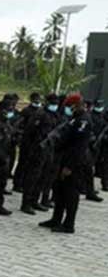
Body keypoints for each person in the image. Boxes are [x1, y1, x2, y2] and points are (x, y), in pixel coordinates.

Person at [40, 93, 91, 233]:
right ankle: (56, 219)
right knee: (59, 191)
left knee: (71, 194)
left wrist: (69, 166)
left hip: (74, 164)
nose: (68, 109)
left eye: (69, 106)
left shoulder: (83, 121)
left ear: (76, 105)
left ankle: (69, 224)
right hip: (63, 159)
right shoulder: (74, 119)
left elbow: (79, 147)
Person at [19, 93, 60, 214]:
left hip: (49, 150)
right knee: (33, 177)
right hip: (37, 149)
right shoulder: (39, 114)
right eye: (52, 103)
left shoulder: (54, 115)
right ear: (47, 103)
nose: (55, 105)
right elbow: (29, 132)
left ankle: (35, 201)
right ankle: (26, 203)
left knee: (43, 177)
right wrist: (32, 147)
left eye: (56, 104)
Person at [12, 92, 43, 193]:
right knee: (22, 162)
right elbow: (19, 125)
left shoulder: (40, 111)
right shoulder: (26, 111)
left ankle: (24, 183)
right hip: (26, 140)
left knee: (30, 164)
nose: (38, 101)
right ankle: (17, 183)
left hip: (35, 141)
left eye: (39, 99)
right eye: (36, 99)